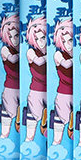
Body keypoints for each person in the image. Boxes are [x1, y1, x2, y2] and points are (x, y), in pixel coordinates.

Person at [24, 15, 48, 143]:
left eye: (43, 37)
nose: (40, 41)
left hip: (51, 91)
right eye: (37, 39)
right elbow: (39, 62)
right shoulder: (31, 52)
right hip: (36, 91)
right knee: (32, 124)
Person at [0, 14, 19, 140]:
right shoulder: (5, 50)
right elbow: (13, 59)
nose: (14, 39)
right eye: (10, 36)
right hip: (10, 88)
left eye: (16, 35)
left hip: (24, 88)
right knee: (8, 119)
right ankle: (4, 141)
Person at [52, 19, 73, 145]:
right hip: (63, 94)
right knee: (61, 123)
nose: (67, 44)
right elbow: (66, 64)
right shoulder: (58, 55)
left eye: (70, 40)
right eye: (64, 41)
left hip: (80, 93)